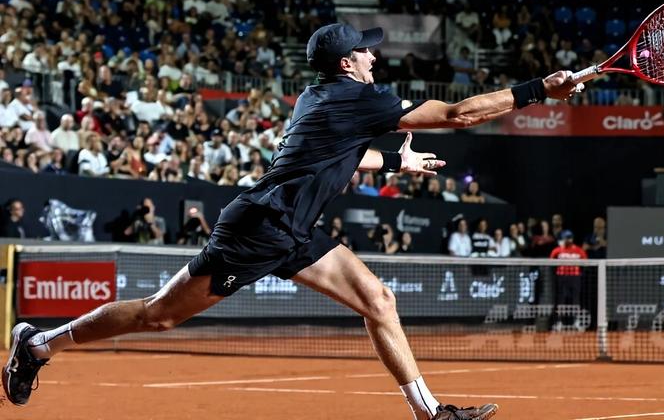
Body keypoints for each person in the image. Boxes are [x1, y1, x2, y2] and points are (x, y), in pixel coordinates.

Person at [4, 23, 576, 419]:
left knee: (378, 300)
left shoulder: (316, 97)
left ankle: (430, 411)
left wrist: (398, 159)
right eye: (367, 52)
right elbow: (456, 113)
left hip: (294, 232)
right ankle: (39, 345)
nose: (375, 58)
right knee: (159, 318)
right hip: (260, 228)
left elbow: (336, 155)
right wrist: (536, 90)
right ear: (348, 63)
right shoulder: (363, 98)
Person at [550, 230, 588, 331]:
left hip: (575, 278)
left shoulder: (579, 250)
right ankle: (558, 322)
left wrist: (579, 274)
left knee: (576, 301)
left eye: (570, 238)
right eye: (566, 238)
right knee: (560, 301)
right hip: (561, 278)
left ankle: (576, 321)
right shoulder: (557, 250)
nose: (568, 240)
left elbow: (586, 263)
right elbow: (551, 263)